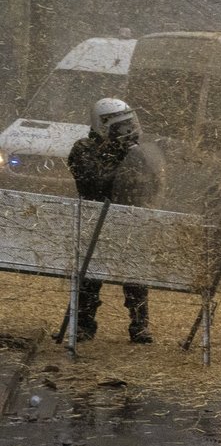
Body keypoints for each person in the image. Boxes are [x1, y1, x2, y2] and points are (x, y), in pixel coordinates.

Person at [63, 98, 164, 344]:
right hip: (96, 219)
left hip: (131, 219)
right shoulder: (84, 148)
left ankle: (139, 326)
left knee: (136, 276)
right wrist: (124, 163)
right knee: (89, 277)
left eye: (130, 126)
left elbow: (154, 186)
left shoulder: (136, 151)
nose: (128, 133)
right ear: (103, 126)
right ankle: (84, 325)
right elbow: (93, 184)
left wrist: (142, 162)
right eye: (121, 128)